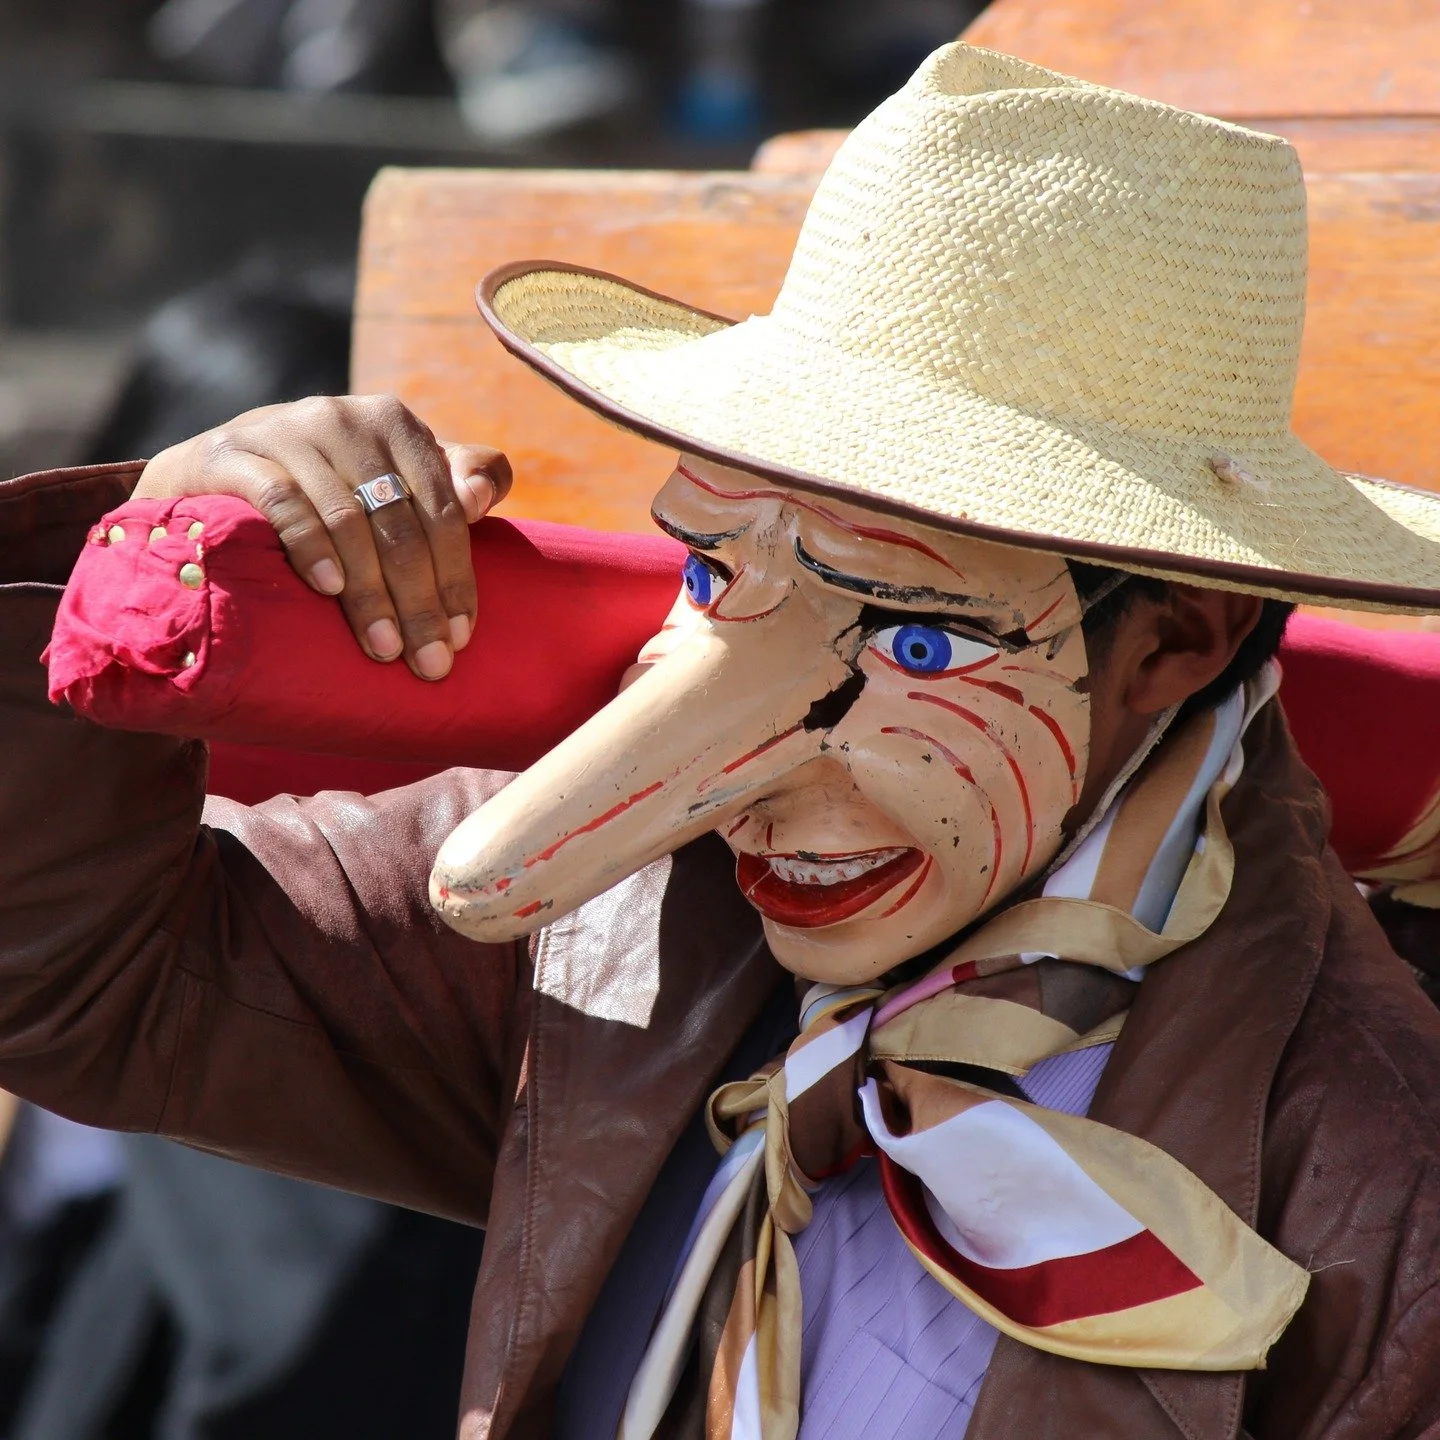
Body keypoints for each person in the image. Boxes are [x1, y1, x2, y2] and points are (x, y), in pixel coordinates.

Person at [4, 42, 1440, 1440]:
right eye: (712, 574)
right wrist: (137, 540)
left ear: (1176, 640)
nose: (747, 776)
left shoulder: (1383, 1195)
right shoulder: (611, 925)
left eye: (916, 641)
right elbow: (76, 974)